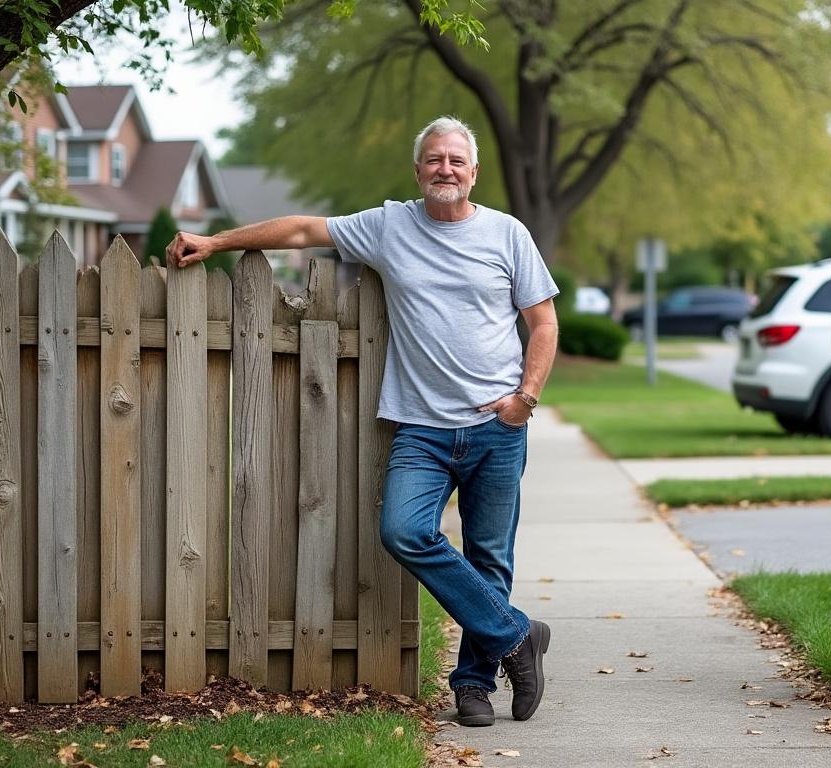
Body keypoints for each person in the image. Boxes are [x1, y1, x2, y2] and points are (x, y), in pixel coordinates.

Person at [166, 116, 558, 728]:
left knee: (490, 558)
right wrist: (217, 242)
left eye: (456, 160)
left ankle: (475, 688)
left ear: (473, 172)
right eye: (434, 159)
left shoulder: (508, 234)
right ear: (418, 169)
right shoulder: (389, 225)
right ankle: (517, 634)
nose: (445, 169)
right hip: (421, 430)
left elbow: (543, 324)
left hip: (497, 429)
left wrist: (525, 398)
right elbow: (300, 228)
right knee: (403, 531)